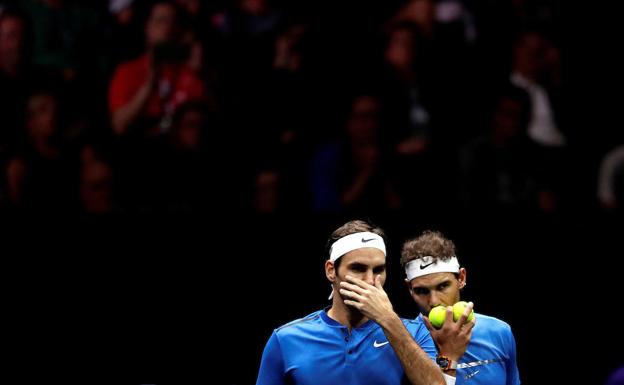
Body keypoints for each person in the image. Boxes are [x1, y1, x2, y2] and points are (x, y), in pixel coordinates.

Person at [256, 219, 460, 385]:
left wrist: (388, 320)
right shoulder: (286, 339)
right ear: (330, 271)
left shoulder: (415, 332)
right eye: (358, 268)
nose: (371, 280)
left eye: (378, 270)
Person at [400, 230, 520, 384]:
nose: (434, 301)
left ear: (461, 278)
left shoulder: (499, 332)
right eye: (422, 291)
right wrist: (448, 357)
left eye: (443, 286)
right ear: (409, 288)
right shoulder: (403, 341)